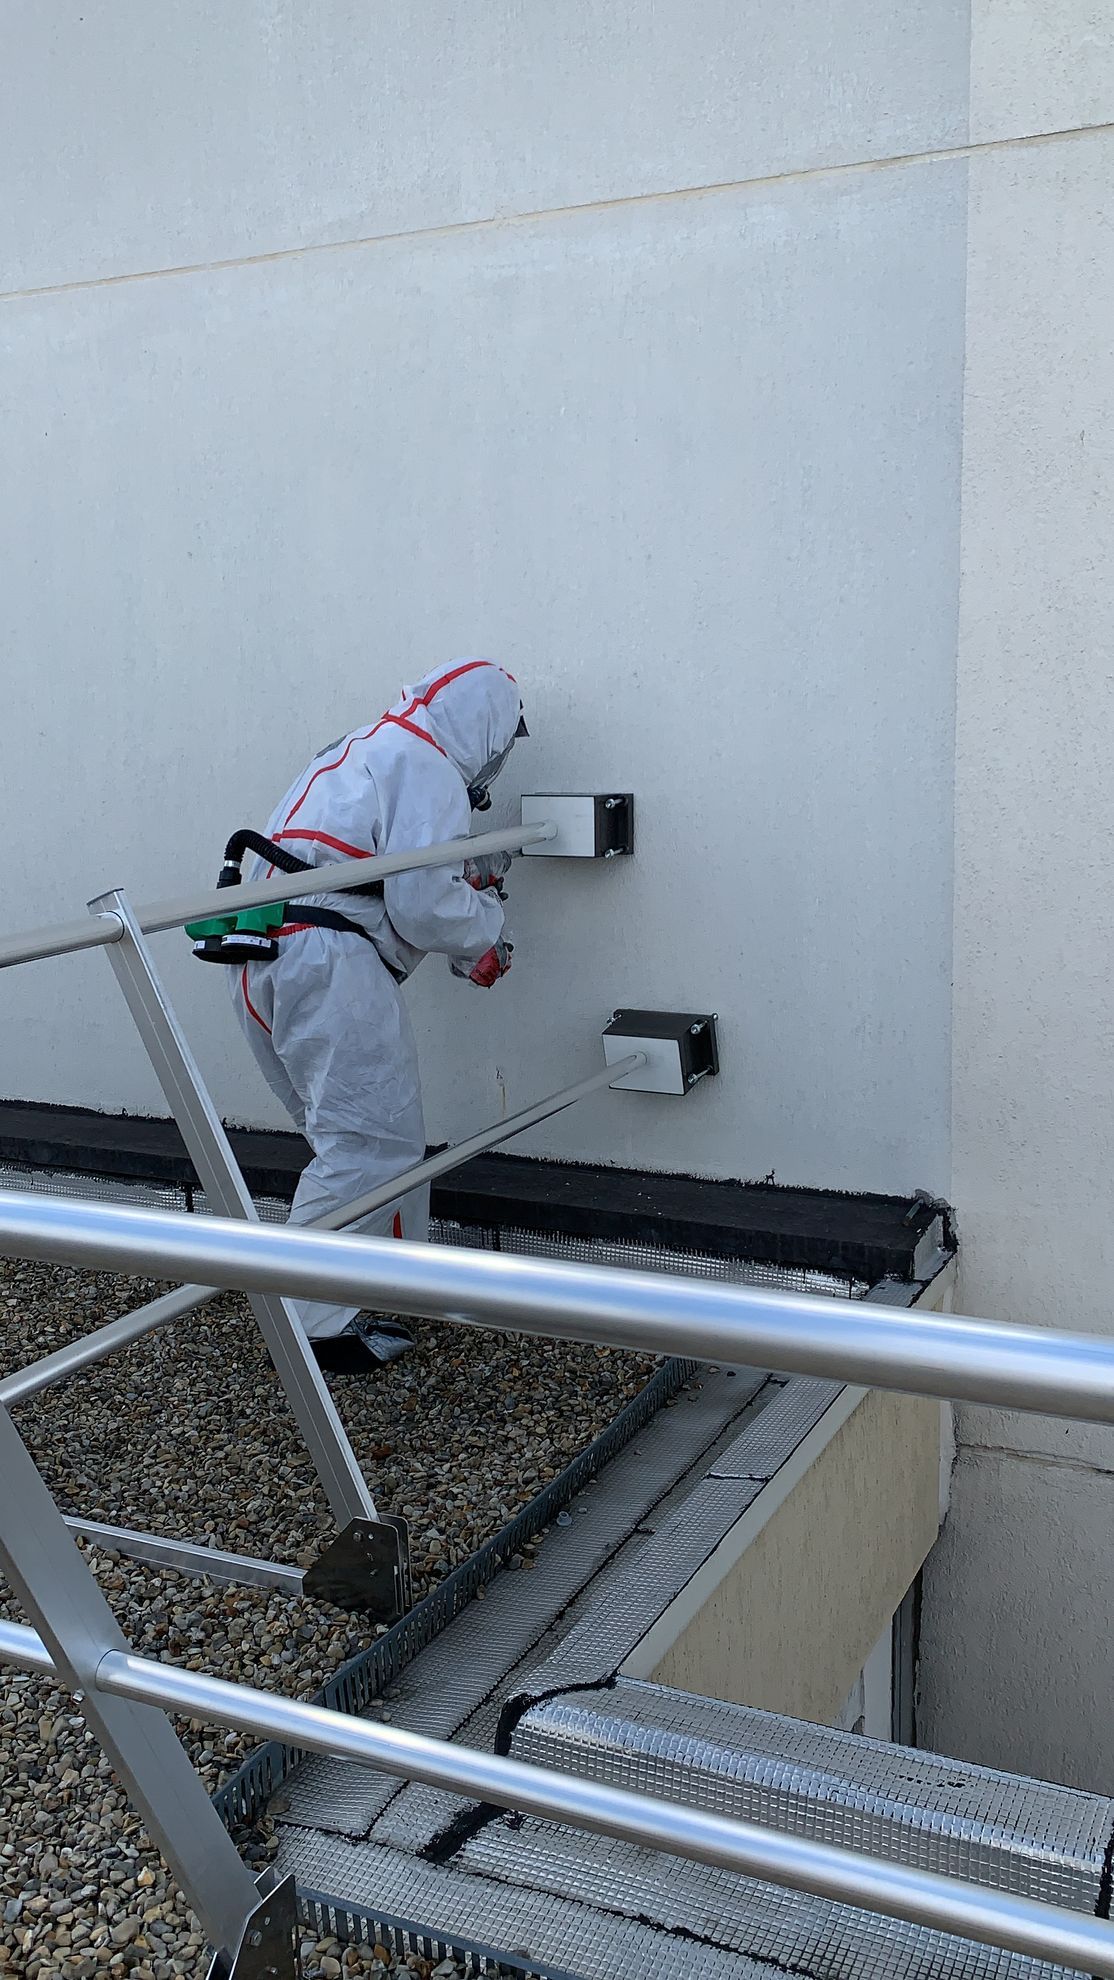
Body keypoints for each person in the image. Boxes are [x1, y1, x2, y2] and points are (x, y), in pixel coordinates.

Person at [229, 658, 526, 1373]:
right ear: (483, 728)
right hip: (327, 965)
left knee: (352, 1144)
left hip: (264, 953)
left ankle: (365, 1291)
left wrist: (468, 886)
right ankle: (307, 1329)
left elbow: (384, 873)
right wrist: (485, 930)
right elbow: (420, 905)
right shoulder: (426, 764)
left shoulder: (361, 748)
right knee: (370, 1148)